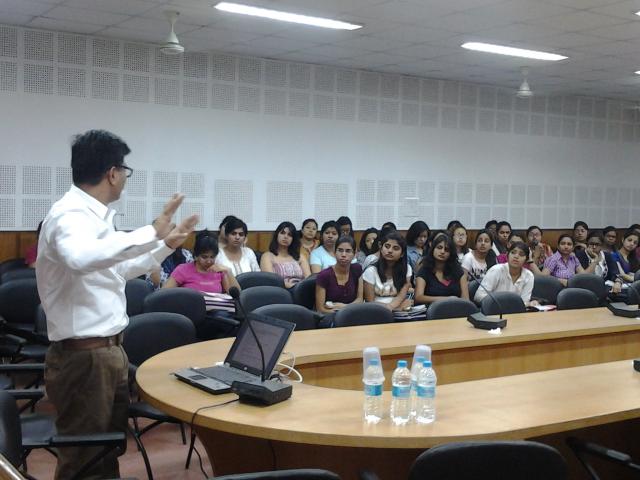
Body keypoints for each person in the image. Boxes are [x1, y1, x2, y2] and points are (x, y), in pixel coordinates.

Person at [36, 130, 198, 479]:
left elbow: (120, 269)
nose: (125, 177)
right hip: (84, 357)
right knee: (84, 459)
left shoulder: (97, 218)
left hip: (107, 352)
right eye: (125, 170)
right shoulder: (68, 216)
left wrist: (165, 245)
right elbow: (80, 258)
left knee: (106, 452)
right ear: (112, 173)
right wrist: (151, 231)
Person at [164, 233, 240, 293]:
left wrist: (229, 271)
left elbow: (236, 294)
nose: (209, 261)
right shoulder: (182, 269)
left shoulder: (219, 271)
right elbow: (164, 293)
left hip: (216, 307)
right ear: (196, 256)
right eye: (204, 257)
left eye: (212, 257)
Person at [475, 242, 537, 307]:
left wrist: (529, 304)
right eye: (513, 252)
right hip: (493, 310)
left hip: (516, 311)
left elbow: (524, 302)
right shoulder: (496, 270)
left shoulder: (529, 276)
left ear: (526, 260)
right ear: (507, 255)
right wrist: (500, 303)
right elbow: (479, 296)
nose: (516, 256)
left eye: (521, 254)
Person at [315, 236, 364, 318]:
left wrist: (344, 307)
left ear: (355, 254)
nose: (343, 255)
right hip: (330, 316)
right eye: (340, 250)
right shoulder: (324, 275)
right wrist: (342, 314)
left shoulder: (357, 269)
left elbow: (360, 300)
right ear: (334, 252)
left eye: (348, 251)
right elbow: (320, 309)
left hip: (353, 314)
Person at [362, 231, 412, 311]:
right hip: (375, 311)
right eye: (387, 246)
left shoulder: (407, 269)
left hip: (398, 311)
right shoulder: (370, 271)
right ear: (381, 249)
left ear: (402, 254)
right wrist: (396, 308)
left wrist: (393, 308)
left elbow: (401, 296)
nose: (390, 251)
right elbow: (370, 302)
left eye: (395, 248)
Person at [414, 233, 468, 305]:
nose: (442, 252)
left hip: (455, 309)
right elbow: (418, 297)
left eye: (447, 250)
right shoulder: (424, 269)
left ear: (450, 253)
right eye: (439, 247)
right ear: (433, 249)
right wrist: (447, 299)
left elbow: (466, 300)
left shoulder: (458, 271)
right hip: (431, 310)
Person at [260, 221, 310, 288]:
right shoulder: (267, 256)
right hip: (279, 290)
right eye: (282, 233)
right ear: (277, 235)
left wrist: (297, 287)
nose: (286, 237)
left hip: (300, 289)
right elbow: (270, 281)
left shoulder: (300, 257)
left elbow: (308, 279)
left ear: (293, 239)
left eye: (289, 235)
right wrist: (286, 285)